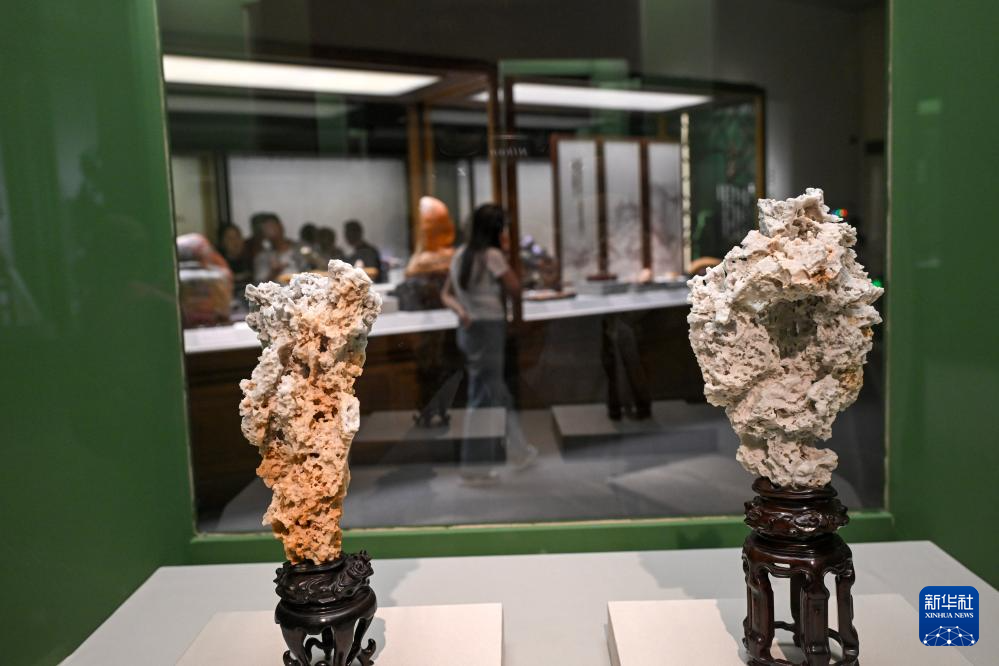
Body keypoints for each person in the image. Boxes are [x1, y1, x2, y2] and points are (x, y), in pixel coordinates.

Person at [441, 204, 538, 485]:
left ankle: (519, 451)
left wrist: (461, 311)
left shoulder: (461, 254)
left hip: (469, 329)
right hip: (488, 329)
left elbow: (446, 294)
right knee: (482, 397)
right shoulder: (491, 255)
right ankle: (474, 467)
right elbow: (515, 288)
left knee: (496, 392)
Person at [251, 212, 303, 283]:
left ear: (281, 226)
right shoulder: (262, 257)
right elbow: (258, 284)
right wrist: (274, 273)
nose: (271, 230)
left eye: (272, 226)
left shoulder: (300, 248)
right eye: (266, 228)